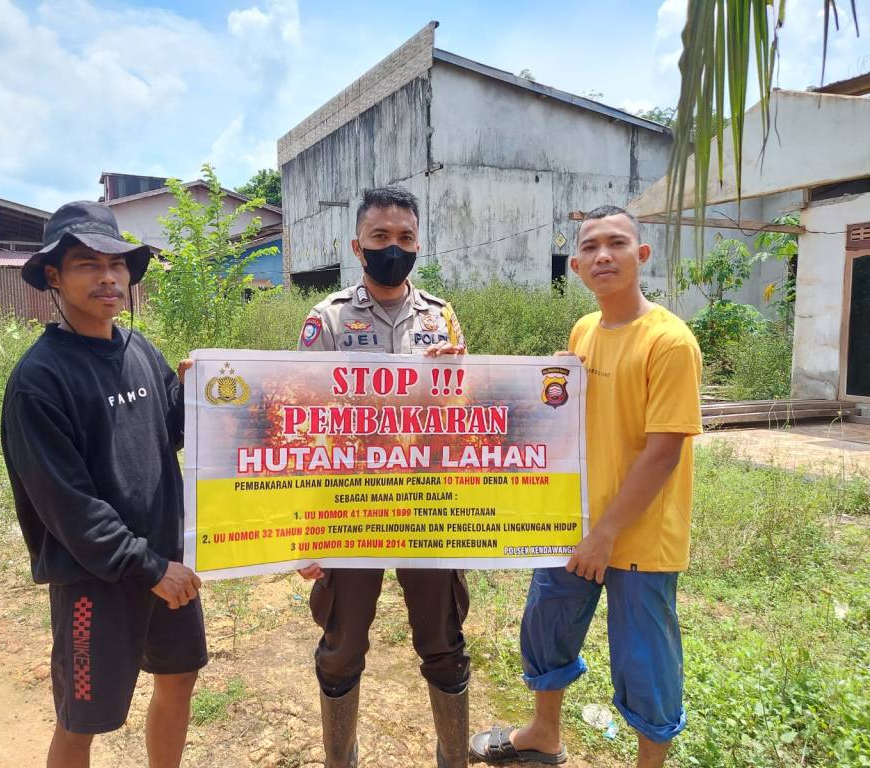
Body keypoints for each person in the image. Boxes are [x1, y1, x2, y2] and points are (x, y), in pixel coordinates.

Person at [470, 206, 702, 767]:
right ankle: (543, 734)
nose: (603, 256)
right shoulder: (583, 331)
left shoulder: (670, 342)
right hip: (573, 523)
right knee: (547, 626)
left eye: (616, 243)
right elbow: (563, 411)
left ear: (641, 255)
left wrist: (605, 535)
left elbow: (663, 453)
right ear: (574, 266)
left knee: (645, 660)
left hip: (638, 537)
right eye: (591, 247)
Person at [1, 201, 206, 768]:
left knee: (179, 680)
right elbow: (67, 505)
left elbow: (169, 431)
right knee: (82, 721)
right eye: (88, 265)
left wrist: (200, 396)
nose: (108, 277)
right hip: (97, 578)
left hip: (168, 562)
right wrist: (148, 567)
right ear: (53, 276)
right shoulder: (40, 380)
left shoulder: (140, 351)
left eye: (116, 264)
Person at [296, 186, 470, 768]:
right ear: (358, 246)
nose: (393, 248)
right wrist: (309, 528)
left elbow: (466, 415)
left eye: (404, 238)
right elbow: (304, 420)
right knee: (342, 645)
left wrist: (459, 379)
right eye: (380, 237)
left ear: (418, 245)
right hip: (351, 503)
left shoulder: (442, 317)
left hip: (425, 502)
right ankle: (338, 759)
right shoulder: (327, 319)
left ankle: (453, 759)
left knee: (443, 641)